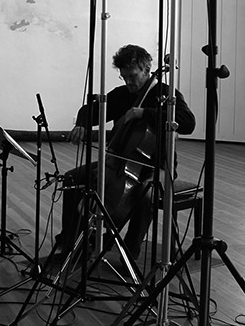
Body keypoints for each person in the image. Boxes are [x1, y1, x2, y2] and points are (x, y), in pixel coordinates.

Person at [55, 44, 196, 264]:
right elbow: (92, 109)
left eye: (133, 76)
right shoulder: (122, 94)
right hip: (119, 163)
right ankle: (72, 243)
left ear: (147, 69)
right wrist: (82, 123)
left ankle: (130, 252)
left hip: (157, 166)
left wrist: (145, 113)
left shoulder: (166, 94)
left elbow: (188, 123)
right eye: (124, 77)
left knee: (146, 194)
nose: (129, 82)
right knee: (73, 178)